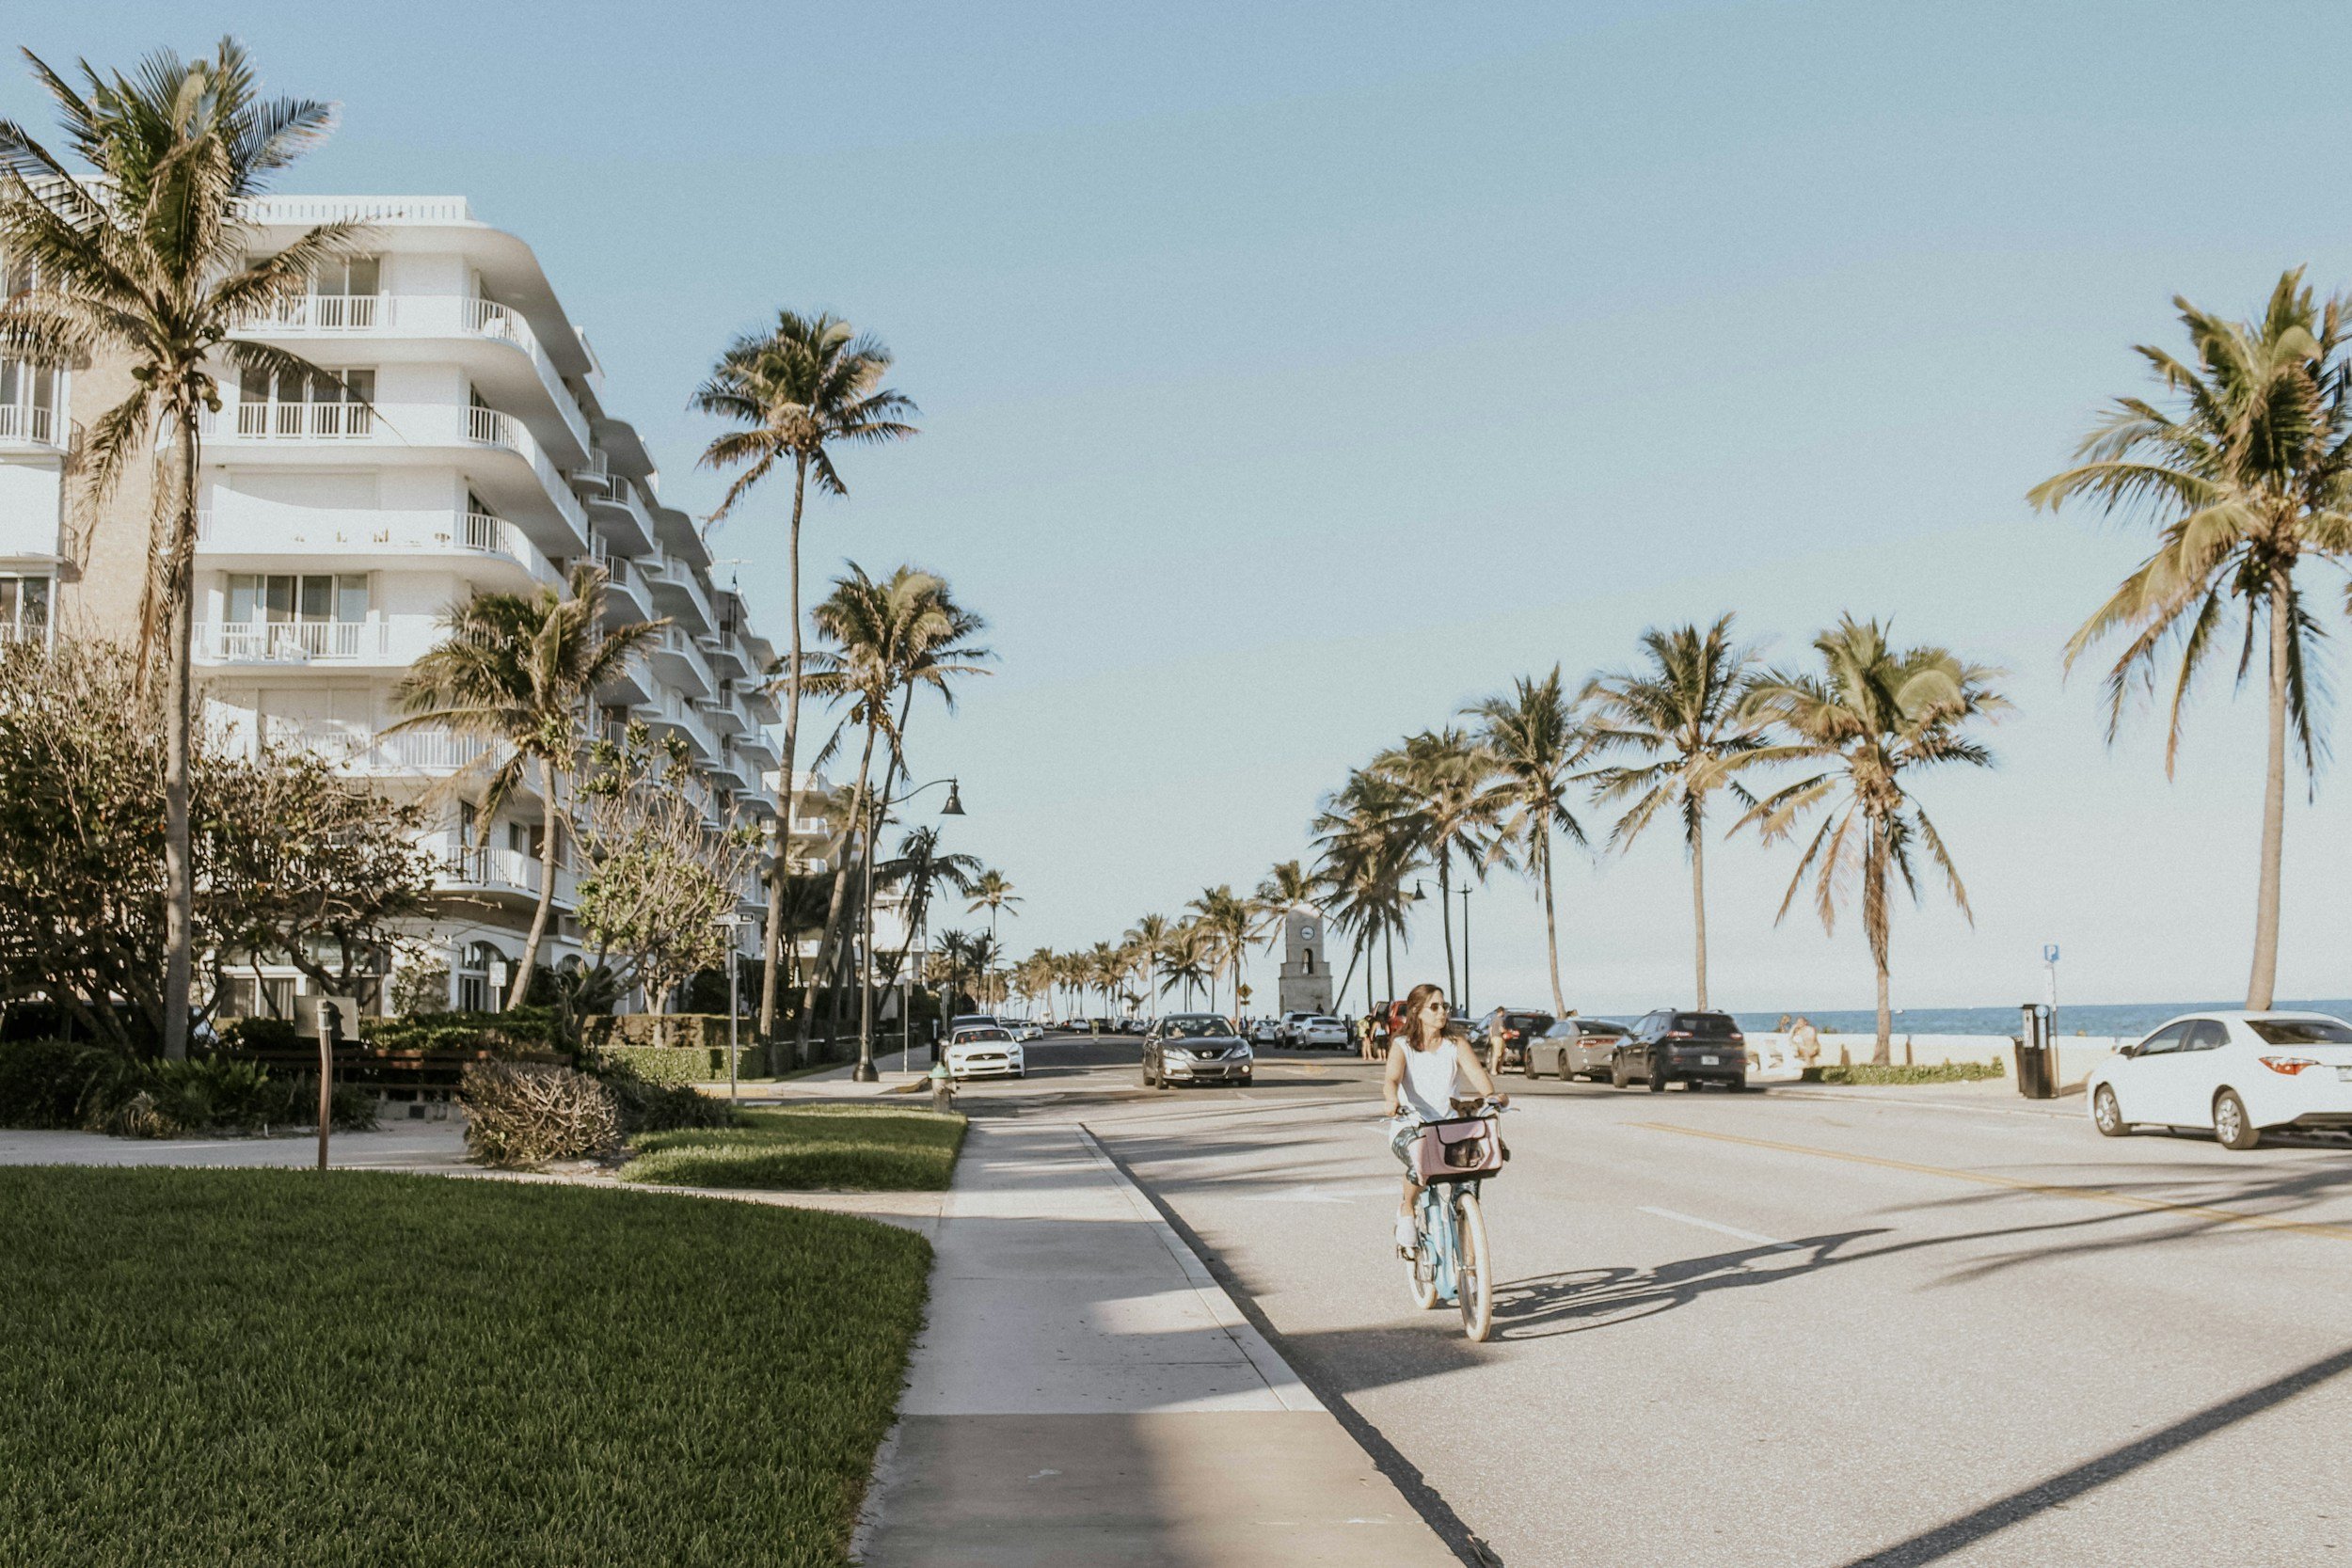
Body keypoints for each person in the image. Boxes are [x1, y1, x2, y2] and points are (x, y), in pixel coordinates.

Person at [1382, 982, 1505, 1256]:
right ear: (1416, 1011)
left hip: (1450, 1129)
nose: (1442, 1012)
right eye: (1434, 1007)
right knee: (1419, 1161)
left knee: (1471, 1180)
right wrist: (1392, 1100)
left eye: (1444, 1006)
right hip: (1412, 1125)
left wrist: (1492, 1096)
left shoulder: (1455, 1044)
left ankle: (1471, 1259)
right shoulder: (1402, 1045)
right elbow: (1391, 1079)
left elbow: (1478, 1076)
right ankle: (1406, 1210)